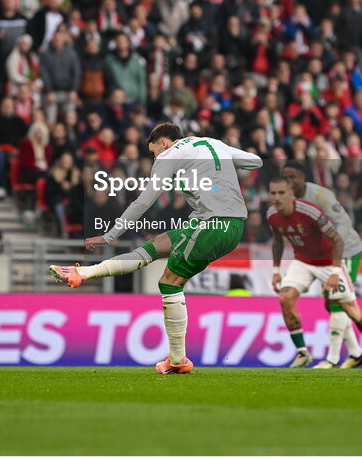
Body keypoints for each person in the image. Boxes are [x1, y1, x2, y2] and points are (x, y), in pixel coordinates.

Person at [50, 122, 262, 374]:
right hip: (232, 226)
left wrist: (111, 235)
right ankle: (82, 274)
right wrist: (223, 164)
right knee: (155, 245)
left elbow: (143, 202)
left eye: (153, 153)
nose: (154, 159)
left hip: (212, 224)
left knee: (170, 283)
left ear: (163, 142)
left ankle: (177, 360)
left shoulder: (169, 155)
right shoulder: (213, 144)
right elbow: (256, 162)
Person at [267, 177, 362, 369]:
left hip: (327, 262)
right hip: (303, 261)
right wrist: (276, 270)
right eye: (273, 193)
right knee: (285, 297)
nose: (277, 197)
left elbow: (337, 240)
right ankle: (302, 352)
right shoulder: (272, 215)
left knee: (350, 310)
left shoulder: (310, 212)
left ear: (291, 194)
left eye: (281, 193)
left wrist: (334, 272)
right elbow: (277, 241)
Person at [280, 160, 362, 369]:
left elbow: (344, 223)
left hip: (345, 250)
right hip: (318, 256)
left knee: (337, 300)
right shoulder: (285, 200)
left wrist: (336, 253)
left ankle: (333, 359)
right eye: (286, 177)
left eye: (293, 177)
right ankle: (356, 353)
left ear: (303, 177)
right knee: (332, 303)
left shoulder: (321, 196)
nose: (289, 181)